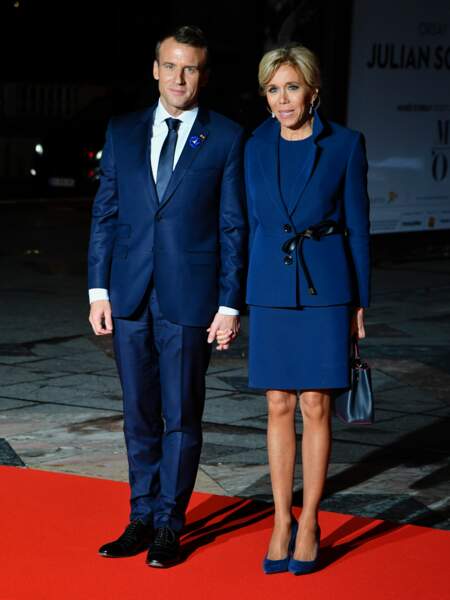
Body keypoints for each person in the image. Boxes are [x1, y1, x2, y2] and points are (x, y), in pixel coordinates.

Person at [87, 25, 246, 568]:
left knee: (181, 414)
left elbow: (232, 226)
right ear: (155, 68)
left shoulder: (224, 136)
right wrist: (97, 288)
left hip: (190, 298)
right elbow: (105, 213)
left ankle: (169, 525)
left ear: (203, 74)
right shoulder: (122, 130)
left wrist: (229, 303)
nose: (181, 77)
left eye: (192, 68)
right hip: (129, 294)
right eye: (172, 66)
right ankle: (140, 516)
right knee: (138, 413)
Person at [243, 44, 370, 575]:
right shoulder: (253, 146)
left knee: (315, 402)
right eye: (273, 89)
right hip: (271, 286)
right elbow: (249, 224)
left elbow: (360, 228)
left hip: (326, 288)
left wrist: (360, 302)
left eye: (292, 87)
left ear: (313, 90)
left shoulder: (344, 144)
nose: (282, 99)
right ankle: (279, 520)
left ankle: (311, 520)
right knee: (277, 402)